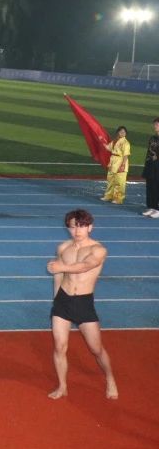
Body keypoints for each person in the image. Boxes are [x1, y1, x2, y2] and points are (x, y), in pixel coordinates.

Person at [47, 209, 118, 399]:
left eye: (81, 226)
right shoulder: (63, 248)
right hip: (63, 301)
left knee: (96, 349)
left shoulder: (98, 250)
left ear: (90, 227)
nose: (77, 231)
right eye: (73, 227)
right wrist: (56, 299)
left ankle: (110, 378)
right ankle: (62, 386)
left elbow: (86, 266)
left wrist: (62, 266)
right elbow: (59, 275)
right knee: (59, 347)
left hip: (84, 303)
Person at [103, 125, 130, 204]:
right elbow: (108, 148)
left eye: (124, 132)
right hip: (113, 162)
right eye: (121, 132)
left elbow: (126, 155)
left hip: (120, 161)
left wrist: (123, 165)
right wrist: (100, 139)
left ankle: (118, 199)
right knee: (110, 180)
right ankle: (108, 196)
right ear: (118, 132)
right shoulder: (115, 141)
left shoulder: (125, 143)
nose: (122, 133)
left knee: (119, 182)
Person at [143, 118, 159, 218]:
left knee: (157, 187)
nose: (155, 126)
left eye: (157, 124)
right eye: (155, 124)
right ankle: (151, 207)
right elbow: (149, 152)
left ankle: (157, 209)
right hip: (151, 165)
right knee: (150, 187)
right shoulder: (152, 138)